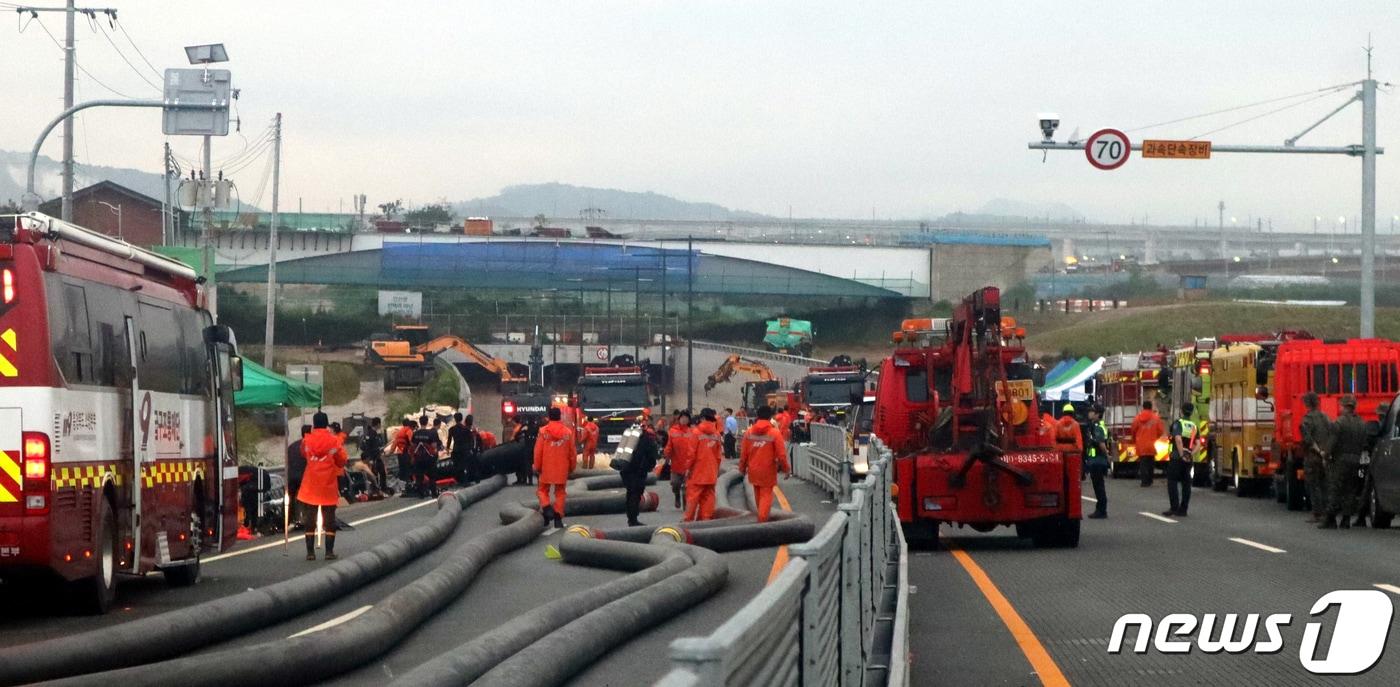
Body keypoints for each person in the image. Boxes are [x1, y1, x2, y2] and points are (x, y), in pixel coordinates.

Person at [298, 412, 347, 560]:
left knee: (309, 520)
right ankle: (329, 552)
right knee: (330, 521)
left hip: (310, 486)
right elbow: (342, 460)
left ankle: (310, 553)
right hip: (328, 486)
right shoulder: (334, 440)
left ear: (314, 424)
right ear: (326, 423)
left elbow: (303, 454)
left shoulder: (306, 440)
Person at [1322, 395, 1367, 529]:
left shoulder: (1339, 423)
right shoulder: (1361, 424)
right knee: (1350, 490)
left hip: (1340, 460)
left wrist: (1326, 455)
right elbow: (1364, 443)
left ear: (1345, 406)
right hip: (1355, 459)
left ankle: (1330, 519)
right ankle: (1346, 519)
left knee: (1335, 488)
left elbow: (1332, 443)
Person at [740, 405, 790, 522]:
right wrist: (786, 469)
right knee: (766, 496)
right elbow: (781, 455)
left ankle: (761, 517)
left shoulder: (749, 432)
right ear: (770, 417)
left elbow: (744, 454)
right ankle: (762, 522)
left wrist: (742, 468)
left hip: (753, 470)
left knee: (758, 495)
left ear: (757, 416)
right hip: (768, 471)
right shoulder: (774, 433)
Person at [534, 407, 575, 529]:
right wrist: (571, 468)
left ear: (549, 417)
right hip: (562, 467)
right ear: (560, 417)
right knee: (560, 493)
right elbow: (572, 453)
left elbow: (538, 451)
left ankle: (547, 509)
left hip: (546, 467)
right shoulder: (567, 433)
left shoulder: (543, 432)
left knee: (542, 490)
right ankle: (558, 518)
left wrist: (537, 466)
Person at [1299, 391, 1334, 524]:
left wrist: (1318, 451)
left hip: (1313, 456)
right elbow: (1332, 433)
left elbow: (1308, 439)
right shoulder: (1325, 417)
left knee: (1314, 485)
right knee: (1325, 484)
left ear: (1307, 403)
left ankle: (1317, 513)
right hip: (1326, 455)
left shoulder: (1307, 419)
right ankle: (1327, 511)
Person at [621, 416, 662, 526]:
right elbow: (653, 455)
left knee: (630, 493)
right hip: (639, 471)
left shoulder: (627, 437)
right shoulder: (647, 438)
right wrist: (649, 467)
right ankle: (633, 519)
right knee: (636, 494)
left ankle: (631, 517)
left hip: (625, 470)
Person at [686, 408, 724, 522]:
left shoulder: (696, 432)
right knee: (708, 498)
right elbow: (719, 456)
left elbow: (691, 454)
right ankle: (705, 522)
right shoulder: (717, 434)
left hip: (697, 472)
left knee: (692, 498)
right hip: (711, 472)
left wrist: (688, 469)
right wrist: (716, 469)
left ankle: (688, 522)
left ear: (702, 418)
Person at [1164, 402, 1199, 517]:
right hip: (1189, 459)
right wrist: (1189, 453)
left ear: (1181, 411)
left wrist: (1181, 454)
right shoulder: (1194, 426)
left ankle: (1174, 507)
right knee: (1186, 483)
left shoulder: (1178, 424)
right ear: (1192, 412)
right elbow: (1198, 444)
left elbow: (1178, 439)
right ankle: (1183, 509)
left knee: (1172, 481)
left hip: (1177, 458)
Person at [1130, 400, 1166, 487]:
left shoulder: (1137, 418)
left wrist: (1134, 440)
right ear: (1151, 407)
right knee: (1151, 463)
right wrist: (1155, 437)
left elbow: (1133, 430)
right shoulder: (1156, 418)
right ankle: (1150, 480)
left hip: (1141, 445)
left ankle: (1144, 481)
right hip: (1151, 445)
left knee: (1143, 463)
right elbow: (1161, 431)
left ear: (1143, 407)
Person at [665, 410, 696, 509]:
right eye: (682, 418)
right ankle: (677, 495)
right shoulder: (673, 431)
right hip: (676, 464)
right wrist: (667, 455)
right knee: (675, 483)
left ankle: (686, 505)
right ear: (679, 419)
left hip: (689, 465)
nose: (684, 420)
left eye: (686, 418)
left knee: (687, 487)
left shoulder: (693, 431)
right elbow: (669, 446)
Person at [1084, 405, 1111, 519]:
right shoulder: (1098, 425)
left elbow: (1101, 443)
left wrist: (1107, 456)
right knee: (1098, 486)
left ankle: (1101, 510)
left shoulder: (1097, 426)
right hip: (1096, 461)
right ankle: (1100, 509)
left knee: (1098, 486)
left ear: (1097, 414)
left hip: (1097, 461)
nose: (1089, 413)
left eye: (1092, 411)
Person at [409, 416, 443, 498]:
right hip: (429, 458)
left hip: (418, 458)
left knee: (419, 477)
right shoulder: (431, 433)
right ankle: (434, 493)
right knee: (432, 476)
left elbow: (412, 446)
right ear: (427, 422)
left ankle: (421, 494)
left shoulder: (415, 433)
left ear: (420, 422)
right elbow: (434, 446)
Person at [447, 412, 482, 485]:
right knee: (467, 466)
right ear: (462, 419)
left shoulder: (452, 429)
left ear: (455, 419)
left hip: (456, 450)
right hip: (465, 450)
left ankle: (460, 480)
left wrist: (447, 449)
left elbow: (449, 440)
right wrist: (472, 449)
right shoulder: (466, 430)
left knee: (458, 466)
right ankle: (468, 481)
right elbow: (470, 440)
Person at [286, 424, 311, 526]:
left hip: (292, 477)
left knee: (291, 498)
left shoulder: (291, 446)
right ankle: (309, 519)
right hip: (304, 477)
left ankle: (289, 520)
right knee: (310, 498)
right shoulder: (311, 445)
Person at [359, 417, 389, 493]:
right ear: (378, 424)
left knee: (382, 473)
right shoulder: (370, 433)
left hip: (377, 456)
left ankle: (383, 488)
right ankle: (376, 489)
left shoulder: (374, 433)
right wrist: (371, 459)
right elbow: (368, 447)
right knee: (375, 474)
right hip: (373, 457)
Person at [391, 418, 414, 485]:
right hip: (406, 453)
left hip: (399, 453)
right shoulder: (409, 430)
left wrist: (390, 452)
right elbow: (411, 441)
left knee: (402, 470)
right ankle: (410, 484)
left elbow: (394, 443)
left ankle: (403, 484)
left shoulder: (399, 432)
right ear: (409, 424)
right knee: (409, 469)